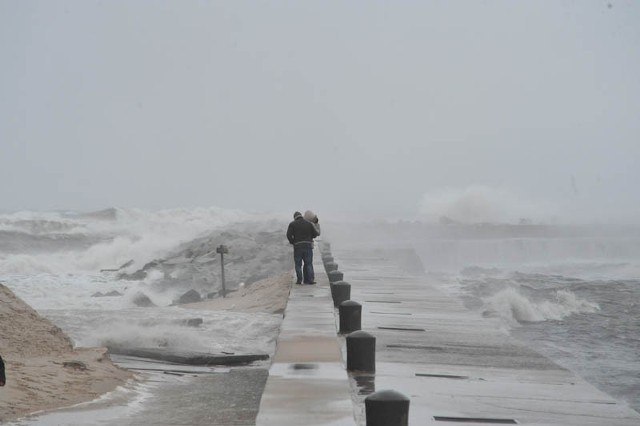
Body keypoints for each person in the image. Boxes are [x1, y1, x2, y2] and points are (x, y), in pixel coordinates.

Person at [286, 211, 319, 284]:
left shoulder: (292, 224)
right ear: (301, 215)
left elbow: (288, 235)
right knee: (308, 263)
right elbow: (315, 234)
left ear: (294, 217)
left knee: (298, 264)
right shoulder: (308, 223)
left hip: (298, 246)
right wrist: (309, 237)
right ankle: (311, 280)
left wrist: (293, 242)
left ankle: (299, 280)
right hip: (307, 246)